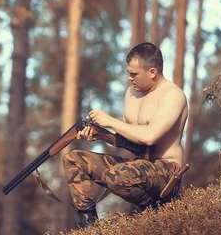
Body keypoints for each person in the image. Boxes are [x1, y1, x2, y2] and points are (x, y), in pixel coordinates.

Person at [63, 42, 189, 228]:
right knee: (73, 159)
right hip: (136, 166)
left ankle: (155, 211)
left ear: (152, 72)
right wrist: (102, 134)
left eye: (134, 74)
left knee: (116, 176)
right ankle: (89, 226)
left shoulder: (173, 95)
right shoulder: (132, 93)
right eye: (129, 73)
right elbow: (131, 142)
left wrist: (111, 121)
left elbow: (150, 137)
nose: (130, 78)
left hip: (166, 171)